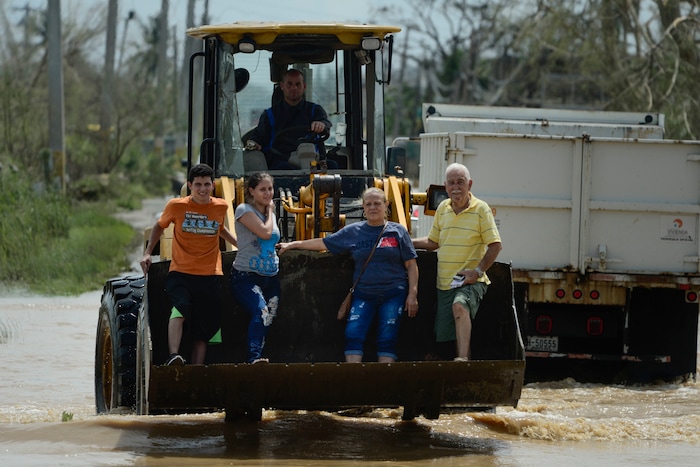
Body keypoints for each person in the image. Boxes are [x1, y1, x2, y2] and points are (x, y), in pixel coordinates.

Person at [278, 187, 419, 363]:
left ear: (386, 205)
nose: (373, 207)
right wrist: (293, 244)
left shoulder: (398, 231)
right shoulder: (353, 232)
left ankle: (384, 380)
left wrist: (412, 295)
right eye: (368, 204)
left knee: (387, 336)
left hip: (393, 293)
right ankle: (354, 379)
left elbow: (411, 265)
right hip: (364, 293)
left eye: (377, 203)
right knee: (353, 333)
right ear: (363, 207)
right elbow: (324, 242)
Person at [140, 163, 237, 366]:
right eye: (198, 184)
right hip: (181, 272)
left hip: (211, 274)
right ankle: (173, 356)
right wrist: (148, 253)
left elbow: (219, 228)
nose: (203, 189)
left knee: (204, 326)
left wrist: (240, 245)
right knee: (180, 308)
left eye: (207, 184)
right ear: (190, 185)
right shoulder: (177, 206)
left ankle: (196, 369)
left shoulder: (221, 206)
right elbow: (159, 226)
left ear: (212, 186)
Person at [413, 163, 502, 362]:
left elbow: (495, 246)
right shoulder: (443, 208)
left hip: (470, 279)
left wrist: (477, 272)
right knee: (449, 331)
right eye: (451, 183)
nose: (455, 187)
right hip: (444, 283)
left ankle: (462, 360)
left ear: (469, 184)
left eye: (460, 182)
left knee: (460, 306)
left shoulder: (481, 209)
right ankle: (463, 368)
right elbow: (433, 242)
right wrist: (406, 241)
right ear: (445, 187)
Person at [229, 172, 281, 364]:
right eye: (262, 189)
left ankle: (259, 355)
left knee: (269, 318)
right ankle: (254, 360)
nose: (268, 193)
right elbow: (266, 233)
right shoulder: (244, 210)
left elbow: (272, 241)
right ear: (251, 191)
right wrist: (271, 212)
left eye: (270, 188)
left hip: (271, 278)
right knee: (261, 312)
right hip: (246, 277)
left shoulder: (269, 212)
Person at [246, 69, 332, 169]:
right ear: (282, 86)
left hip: (312, 161)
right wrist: (255, 144)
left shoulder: (315, 110)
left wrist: (321, 125)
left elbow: (326, 123)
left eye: (298, 84)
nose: (294, 88)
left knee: (333, 166)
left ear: (304, 86)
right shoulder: (270, 115)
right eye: (289, 84)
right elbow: (257, 139)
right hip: (282, 163)